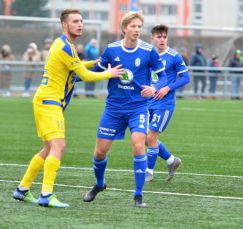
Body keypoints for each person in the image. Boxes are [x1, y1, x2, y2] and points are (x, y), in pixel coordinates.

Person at [13, 9, 124, 208]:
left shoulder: (64, 45)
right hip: (49, 103)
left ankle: (22, 190)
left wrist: (95, 62)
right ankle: (46, 194)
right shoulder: (66, 47)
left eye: (81, 21)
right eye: (75, 21)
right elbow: (86, 76)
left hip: (45, 101)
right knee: (59, 147)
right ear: (65, 25)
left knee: (47, 149)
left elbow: (77, 68)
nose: (80, 24)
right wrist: (110, 73)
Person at [83, 11, 167, 208]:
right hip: (113, 108)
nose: (137, 30)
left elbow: (163, 77)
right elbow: (94, 72)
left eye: (139, 27)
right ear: (124, 29)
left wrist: (154, 88)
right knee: (100, 152)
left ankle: (138, 195)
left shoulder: (149, 51)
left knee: (138, 145)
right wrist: (72, 75)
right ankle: (99, 184)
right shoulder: (111, 50)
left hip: (138, 107)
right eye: (133, 26)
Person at [145, 24, 190, 182]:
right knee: (146, 138)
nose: (162, 39)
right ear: (152, 38)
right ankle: (172, 161)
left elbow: (186, 78)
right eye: (159, 37)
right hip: (147, 102)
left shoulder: (174, 56)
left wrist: (167, 88)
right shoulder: (148, 54)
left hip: (164, 104)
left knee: (151, 136)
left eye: (164, 37)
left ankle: (148, 173)